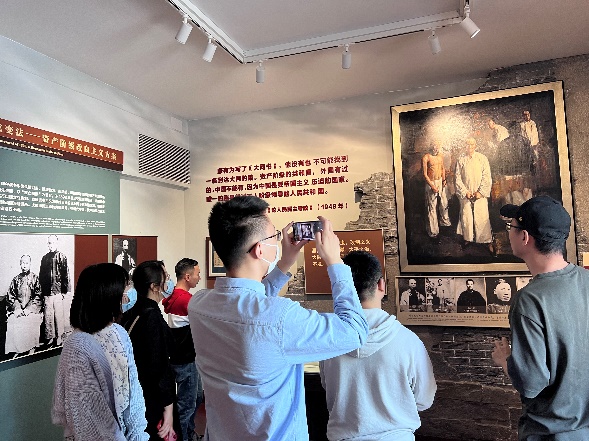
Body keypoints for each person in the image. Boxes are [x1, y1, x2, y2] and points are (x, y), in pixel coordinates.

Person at [188, 195, 368, 441]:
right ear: (259, 250)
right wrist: (335, 261)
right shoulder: (281, 318)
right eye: (274, 236)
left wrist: (284, 263)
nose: (279, 240)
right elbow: (355, 330)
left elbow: (250, 306)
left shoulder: (199, 305)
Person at [492, 195, 589, 440]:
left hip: (551, 432)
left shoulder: (529, 300)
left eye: (511, 226)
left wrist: (505, 360)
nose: (509, 233)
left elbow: (531, 384)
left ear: (524, 237)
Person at [320, 251, 436, 441]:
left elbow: (327, 387)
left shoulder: (329, 341)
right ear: (381, 285)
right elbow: (424, 400)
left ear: (340, 286)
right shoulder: (409, 341)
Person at [52, 263, 149, 441]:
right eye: (125, 286)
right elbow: (89, 419)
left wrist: (138, 435)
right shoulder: (78, 347)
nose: (129, 292)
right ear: (107, 295)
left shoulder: (118, 333)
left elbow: (134, 391)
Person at [121, 261, 182, 441]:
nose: (169, 282)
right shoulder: (151, 316)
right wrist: (168, 411)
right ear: (154, 286)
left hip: (137, 394)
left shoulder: (133, 311)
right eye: (166, 278)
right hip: (153, 400)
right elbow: (159, 367)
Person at [162, 258, 204, 441]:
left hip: (180, 358)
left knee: (195, 397)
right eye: (197, 274)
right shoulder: (187, 301)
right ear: (187, 276)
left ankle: (189, 433)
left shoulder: (173, 298)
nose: (199, 277)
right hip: (187, 360)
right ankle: (185, 437)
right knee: (187, 404)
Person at [455, 137, 494, 254]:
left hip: (479, 194)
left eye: (472, 144)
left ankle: (486, 240)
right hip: (466, 193)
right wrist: (465, 192)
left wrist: (480, 192)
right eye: (467, 144)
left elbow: (487, 177)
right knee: (466, 216)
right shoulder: (461, 159)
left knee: (482, 216)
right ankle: (468, 238)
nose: (469, 147)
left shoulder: (482, 158)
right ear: (465, 146)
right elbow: (457, 178)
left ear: (475, 146)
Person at [4, 254, 43, 357]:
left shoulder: (35, 278)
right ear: (20, 264)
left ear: (30, 264)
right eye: (23, 263)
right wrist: (17, 309)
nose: (24, 265)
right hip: (18, 309)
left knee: (31, 320)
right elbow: (11, 296)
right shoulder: (16, 279)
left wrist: (28, 309)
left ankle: (31, 347)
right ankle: (18, 349)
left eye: (26, 263)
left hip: (31, 309)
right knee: (13, 320)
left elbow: (38, 296)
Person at [39, 234, 72, 347]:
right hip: (47, 292)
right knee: (49, 315)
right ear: (47, 244)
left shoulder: (61, 256)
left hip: (58, 292)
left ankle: (59, 336)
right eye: (49, 243)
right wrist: (43, 291)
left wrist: (64, 291)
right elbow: (41, 276)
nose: (51, 245)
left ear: (57, 243)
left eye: (53, 242)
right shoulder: (44, 258)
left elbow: (65, 275)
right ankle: (50, 337)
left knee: (58, 315)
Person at [422, 140, 451, 241]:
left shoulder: (440, 156)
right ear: (431, 146)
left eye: (437, 146)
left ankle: (445, 225)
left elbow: (442, 168)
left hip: (440, 181)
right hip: (431, 183)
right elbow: (425, 174)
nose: (435, 148)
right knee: (432, 207)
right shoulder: (426, 157)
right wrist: (432, 186)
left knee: (444, 203)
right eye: (434, 146)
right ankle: (433, 232)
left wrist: (444, 180)